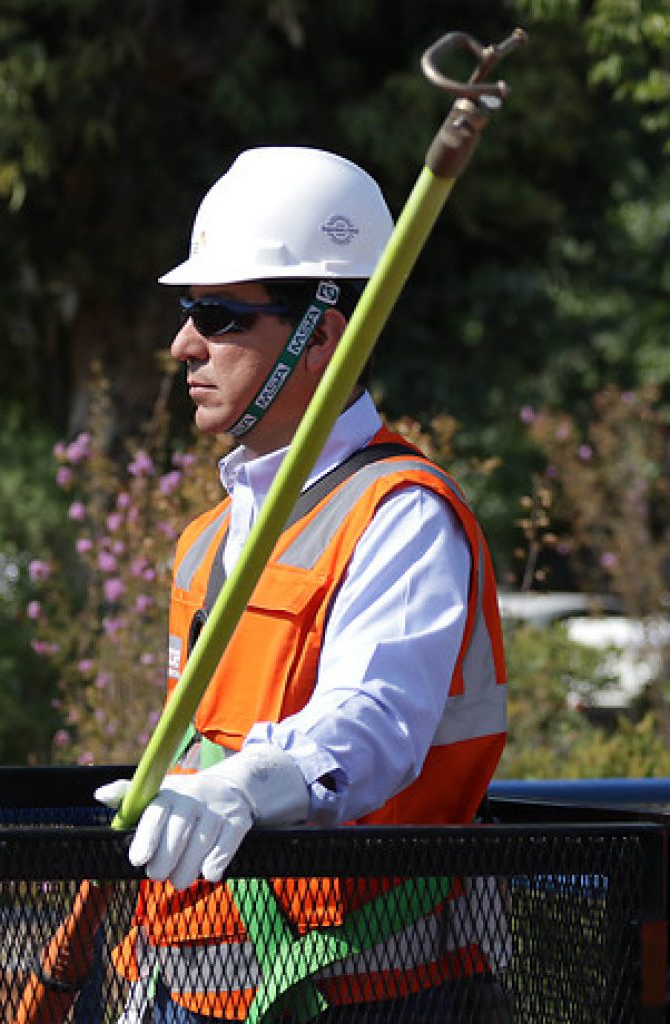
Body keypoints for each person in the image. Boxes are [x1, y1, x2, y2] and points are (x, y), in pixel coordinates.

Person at [96, 146, 508, 1022]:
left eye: (217, 315)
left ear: (323, 333)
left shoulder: (400, 513)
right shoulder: (210, 541)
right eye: (186, 311)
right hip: (188, 991)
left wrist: (246, 787)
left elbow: (373, 718)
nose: (182, 345)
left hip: (363, 994)